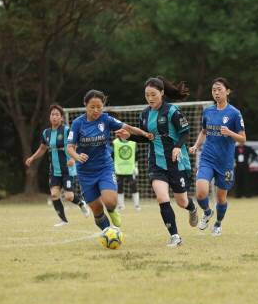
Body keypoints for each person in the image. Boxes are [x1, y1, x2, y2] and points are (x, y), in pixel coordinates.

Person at [117, 76, 198, 247]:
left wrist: (177, 147)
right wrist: (129, 136)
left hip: (176, 161)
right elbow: (147, 138)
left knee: (182, 201)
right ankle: (175, 236)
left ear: (161, 93)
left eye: (153, 94)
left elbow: (185, 132)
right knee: (162, 197)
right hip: (156, 162)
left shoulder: (172, 111)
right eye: (147, 95)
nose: (150, 98)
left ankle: (192, 208)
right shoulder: (145, 114)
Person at [67, 90, 153, 232]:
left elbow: (128, 128)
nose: (96, 110)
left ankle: (113, 211)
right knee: (97, 209)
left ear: (103, 106)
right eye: (92, 107)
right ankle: (108, 232)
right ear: (85, 105)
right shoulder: (77, 123)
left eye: (99, 107)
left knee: (110, 201)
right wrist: (77, 156)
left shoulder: (106, 119)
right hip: (85, 172)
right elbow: (70, 147)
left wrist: (145, 133)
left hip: (104, 168)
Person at [189, 77, 246, 236]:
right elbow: (204, 131)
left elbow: (242, 139)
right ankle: (207, 212)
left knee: (221, 199)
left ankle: (218, 224)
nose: (216, 93)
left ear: (227, 91)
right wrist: (195, 145)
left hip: (225, 162)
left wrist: (230, 133)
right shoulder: (207, 111)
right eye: (214, 90)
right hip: (207, 158)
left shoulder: (234, 113)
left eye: (219, 89)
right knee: (200, 192)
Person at [26, 104, 90, 227]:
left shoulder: (66, 130)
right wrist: (32, 158)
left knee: (69, 196)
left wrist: (73, 158)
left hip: (67, 168)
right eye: (52, 114)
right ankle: (63, 220)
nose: (54, 117)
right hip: (54, 170)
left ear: (61, 118)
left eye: (57, 114)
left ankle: (81, 203)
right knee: (54, 194)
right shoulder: (46, 133)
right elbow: (42, 148)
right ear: (49, 117)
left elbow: (74, 144)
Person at [113, 137, 141, 211]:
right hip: (119, 169)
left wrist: (136, 166)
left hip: (130, 168)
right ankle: (121, 206)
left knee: (133, 185)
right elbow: (112, 155)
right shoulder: (115, 143)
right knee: (119, 186)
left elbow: (136, 155)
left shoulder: (133, 142)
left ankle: (137, 205)